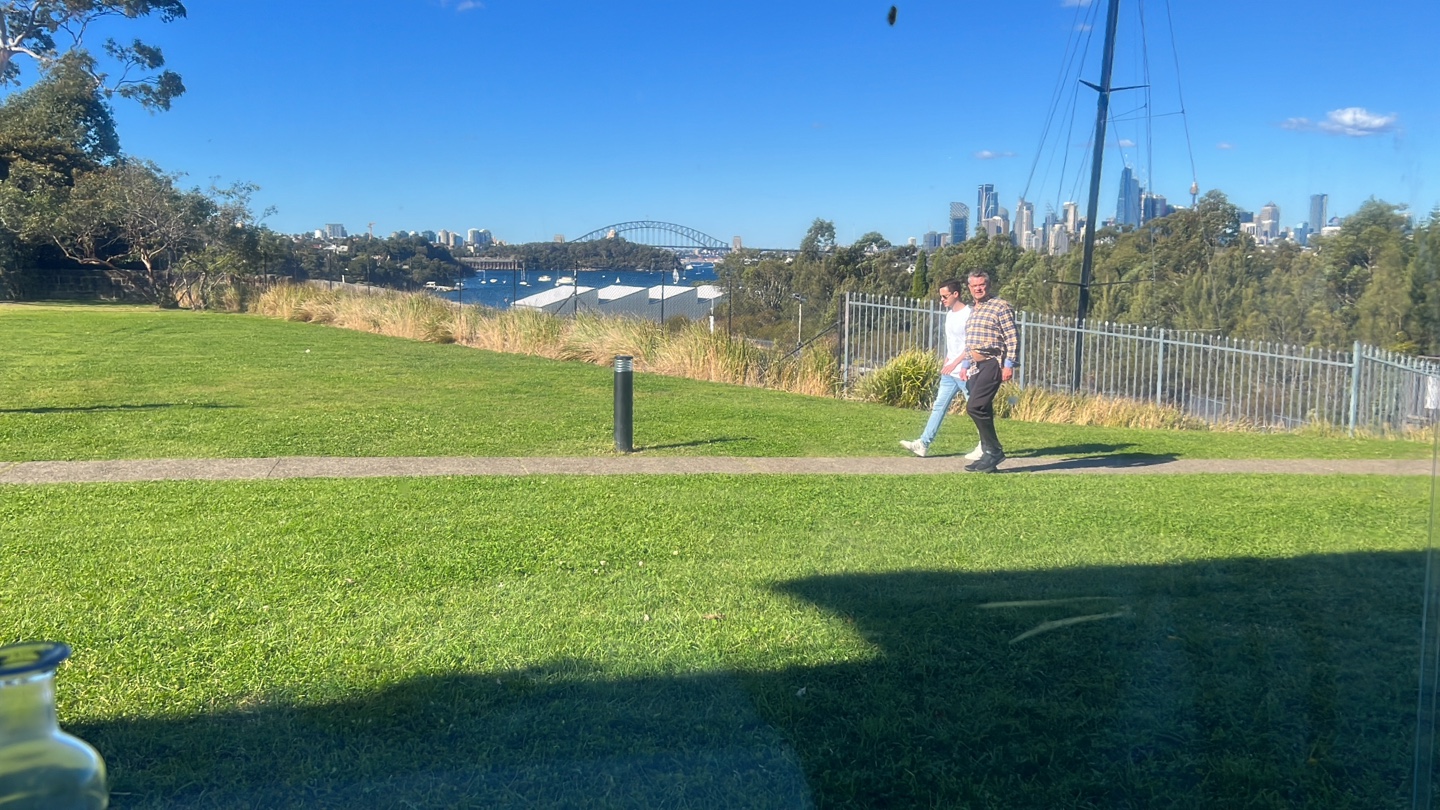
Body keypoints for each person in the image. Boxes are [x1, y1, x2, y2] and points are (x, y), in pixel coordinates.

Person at [900, 278, 985, 460]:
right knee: (939, 407)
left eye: (945, 296)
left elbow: (970, 344)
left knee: (976, 409)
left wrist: (956, 363)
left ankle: (985, 444)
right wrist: (947, 360)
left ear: (956, 294)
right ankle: (923, 444)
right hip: (950, 373)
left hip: (966, 372)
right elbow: (953, 342)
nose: (942, 300)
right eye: (941, 297)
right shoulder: (949, 315)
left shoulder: (969, 314)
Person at [961, 269, 1018, 472]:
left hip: (993, 362)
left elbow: (1012, 337)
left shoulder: (1000, 306)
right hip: (976, 366)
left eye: (982, 285)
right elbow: (970, 340)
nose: (978, 289)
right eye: (974, 285)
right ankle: (988, 454)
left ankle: (994, 450)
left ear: (988, 285)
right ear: (969, 288)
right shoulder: (974, 309)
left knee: (975, 407)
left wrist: (1008, 365)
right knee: (983, 408)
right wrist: (965, 365)